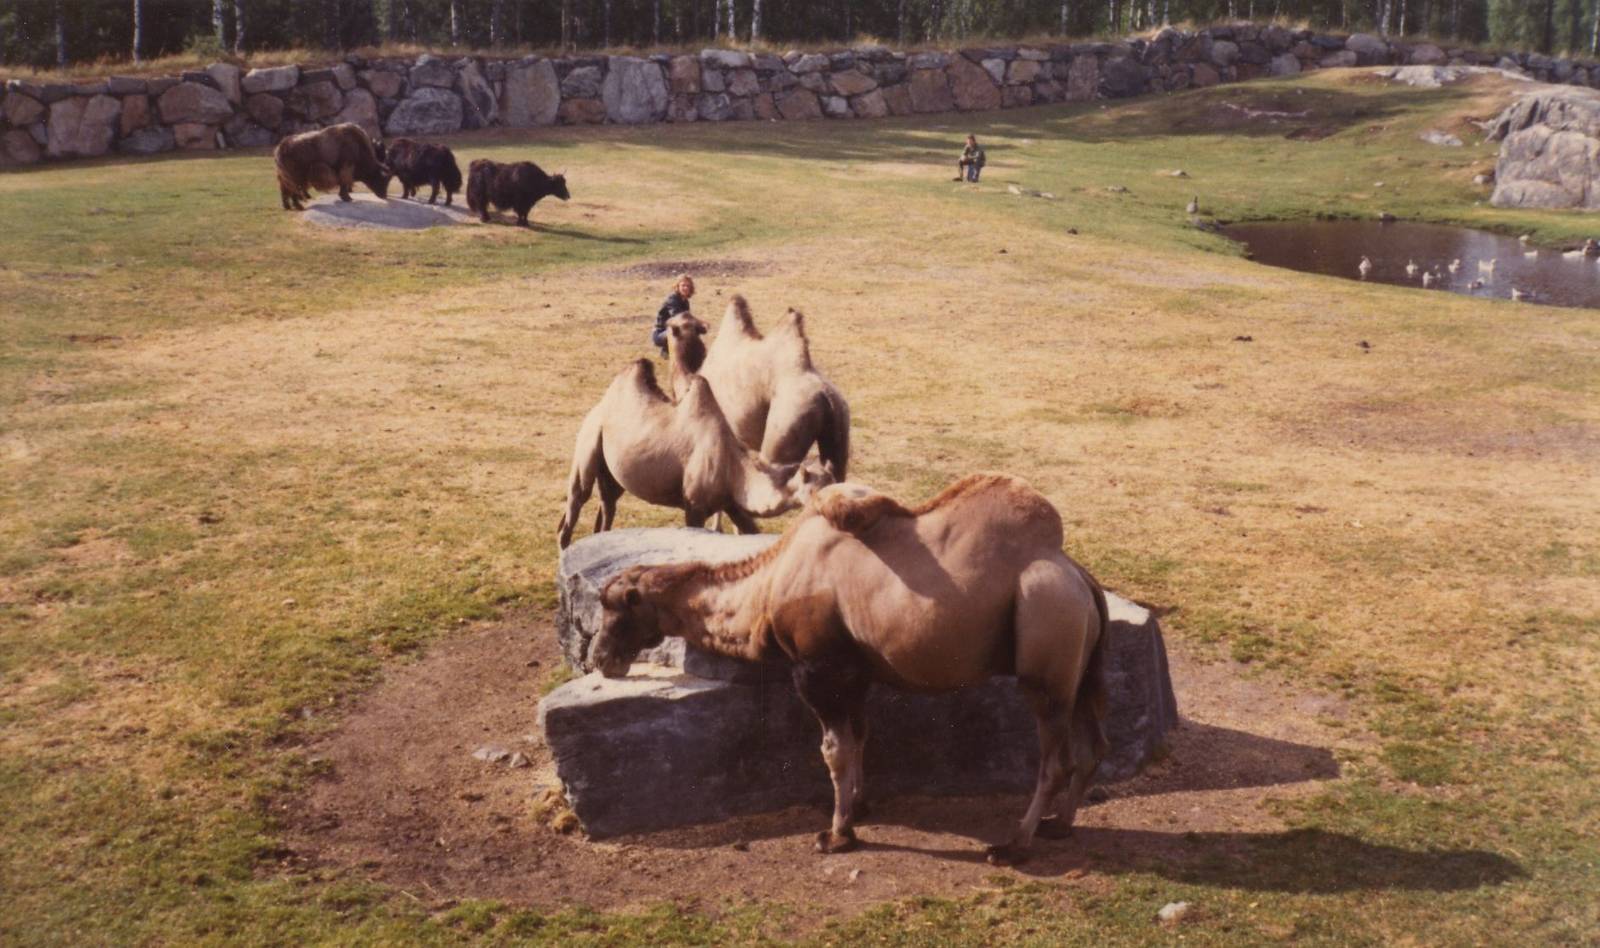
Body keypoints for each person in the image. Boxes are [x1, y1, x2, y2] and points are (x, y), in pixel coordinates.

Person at [652, 274, 695, 356]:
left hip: (670, 331)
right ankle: (669, 352)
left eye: (688, 286)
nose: (685, 288)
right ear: (677, 286)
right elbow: (678, 318)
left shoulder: (685, 301)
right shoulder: (672, 299)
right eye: (683, 285)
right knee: (681, 330)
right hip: (660, 334)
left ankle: (668, 351)